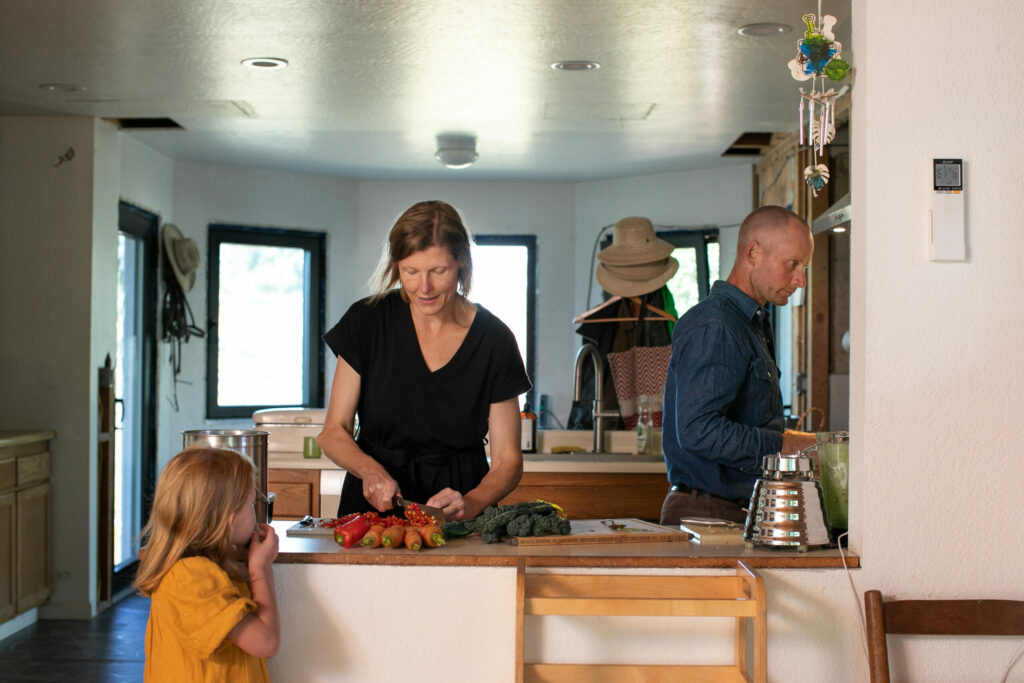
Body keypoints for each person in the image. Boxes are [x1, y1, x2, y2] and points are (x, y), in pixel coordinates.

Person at [318, 200, 531, 521]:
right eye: (411, 272)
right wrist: (370, 471)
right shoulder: (368, 321)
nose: (424, 287)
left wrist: (472, 503)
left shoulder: (495, 340)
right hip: (374, 508)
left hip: (459, 510)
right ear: (395, 266)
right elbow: (334, 431)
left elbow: (507, 461)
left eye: (438, 271)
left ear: (462, 264)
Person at [660, 205, 818, 525]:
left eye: (804, 267)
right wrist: (786, 445)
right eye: (793, 264)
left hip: (726, 511)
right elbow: (698, 431)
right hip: (708, 515)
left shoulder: (749, 323)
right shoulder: (717, 325)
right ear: (753, 252)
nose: (800, 279)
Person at [134, 447, 280, 682]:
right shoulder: (192, 577)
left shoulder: (198, 568)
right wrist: (260, 569)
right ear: (229, 520)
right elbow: (266, 643)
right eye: (251, 505)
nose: (254, 514)